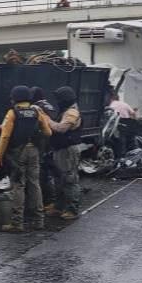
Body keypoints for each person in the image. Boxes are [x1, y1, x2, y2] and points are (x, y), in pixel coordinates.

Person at [0, 85, 53, 232]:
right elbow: (48, 132)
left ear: (14, 98)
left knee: (18, 185)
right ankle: (39, 221)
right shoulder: (36, 112)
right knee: (35, 183)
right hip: (33, 151)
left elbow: (5, 136)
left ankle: (17, 223)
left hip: (17, 154)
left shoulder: (12, 113)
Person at [46, 86, 82, 220]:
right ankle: (59, 207)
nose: (57, 101)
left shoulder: (72, 112)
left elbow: (61, 128)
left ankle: (72, 210)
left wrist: (46, 120)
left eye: (59, 98)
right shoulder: (66, 111)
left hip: (68, 150)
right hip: (60, 149)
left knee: (69, 179)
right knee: (59, 179)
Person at [31, 86, 59, 209]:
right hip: (51, 142)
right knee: (50, 172)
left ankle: (47, 201)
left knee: (43, 173)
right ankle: (52, 200)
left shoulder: (36, 108)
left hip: (42, 142)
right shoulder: (49, 105)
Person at [109, 92, 136, 158]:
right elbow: (133, 113)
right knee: (131, 141)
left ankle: (121, 158)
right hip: (128, 123)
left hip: (118, 123)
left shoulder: (111, 105)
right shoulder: (125, 104)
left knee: (121, 142)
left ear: (111, 98)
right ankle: (135, 158)